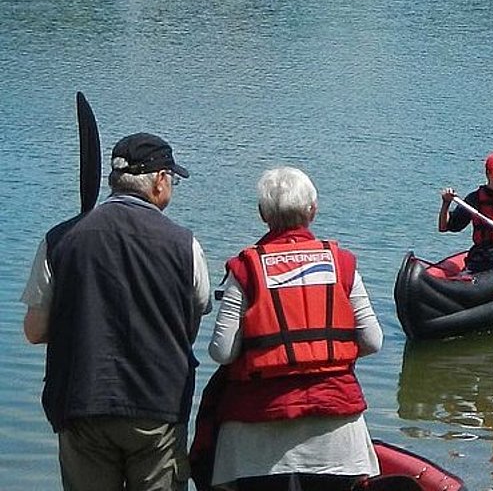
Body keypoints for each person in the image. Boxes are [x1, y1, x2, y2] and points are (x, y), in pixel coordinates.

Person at [23, 133, 210, 491]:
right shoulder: (184, 243)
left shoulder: (60, 239)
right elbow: (191, 321)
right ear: (159, 180)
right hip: (158, 406)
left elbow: (34, 331)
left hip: (81, 401)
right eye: (172, 179)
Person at [204, 167, 381, 491]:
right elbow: (373, 340)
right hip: (336, 428)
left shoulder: (245, 268)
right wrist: (323, 353)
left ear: (262, 215)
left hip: (257, 433)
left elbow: (222, 351)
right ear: (313, 210)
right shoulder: (341, 263)